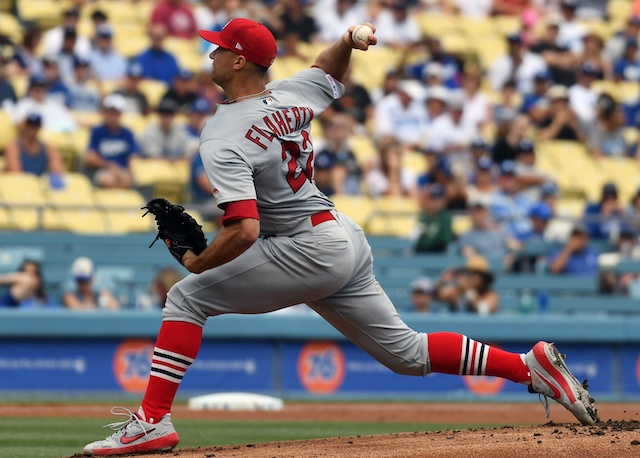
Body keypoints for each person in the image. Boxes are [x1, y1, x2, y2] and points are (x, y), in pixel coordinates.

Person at [83, 18, 597, 456]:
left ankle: (153, 421)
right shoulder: (288, 95)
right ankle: (529, 367)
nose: (211, 52)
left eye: (219, 46)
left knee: (184, 298)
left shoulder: (222, 135)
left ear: (238, 61)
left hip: (303, 246)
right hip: (340, 236)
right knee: (407, 354)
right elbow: (328, 70)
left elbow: (245, 230)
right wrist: (348, 40)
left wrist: (199, 264)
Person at [84, 94, 138, 189]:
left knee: (127, 181)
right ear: (105, 113)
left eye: (115, 113)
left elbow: (132, 157)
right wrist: (108, 165)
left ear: (120, 114)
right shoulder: (97, 131)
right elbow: (90, 156)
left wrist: (130, 172)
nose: (112, 116)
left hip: (122, 170)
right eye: (110, 112)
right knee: (108, 180)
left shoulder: (127, 133)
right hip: (102, 169)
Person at [433, 256, 499, 315]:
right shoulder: (457, 291)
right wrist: (443, 281)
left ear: (484, 278)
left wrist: (469, 292)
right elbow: (437, 295)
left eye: (477, 274)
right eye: (469, 273)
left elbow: (484, 311)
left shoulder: (490, 294)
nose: (472, 277)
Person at [412, 183, 455, 253]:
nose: (436, 202)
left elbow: (444, 240)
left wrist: (427, 241)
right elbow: (417, 240)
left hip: (439, 255)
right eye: (433, 198)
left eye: (439, 198)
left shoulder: (445, 217)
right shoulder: (423, 217)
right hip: (421, 255)